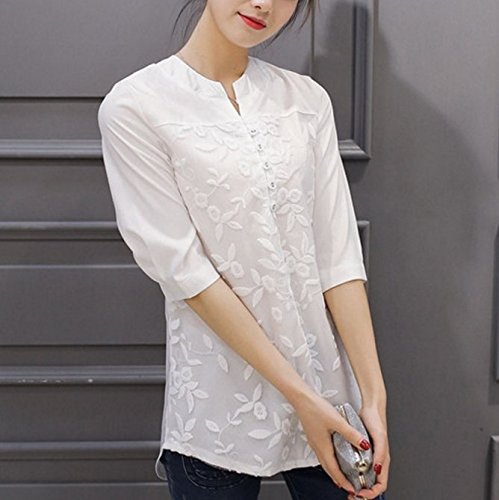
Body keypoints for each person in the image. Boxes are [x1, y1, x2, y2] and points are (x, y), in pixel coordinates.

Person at [97, 1, 390, 499]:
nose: (264, 4)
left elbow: (337, 256)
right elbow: (187, 274)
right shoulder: (136, 107)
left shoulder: (306, 101)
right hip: (219, 406)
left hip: (333, 401)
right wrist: (299, 397)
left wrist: (374, 398)